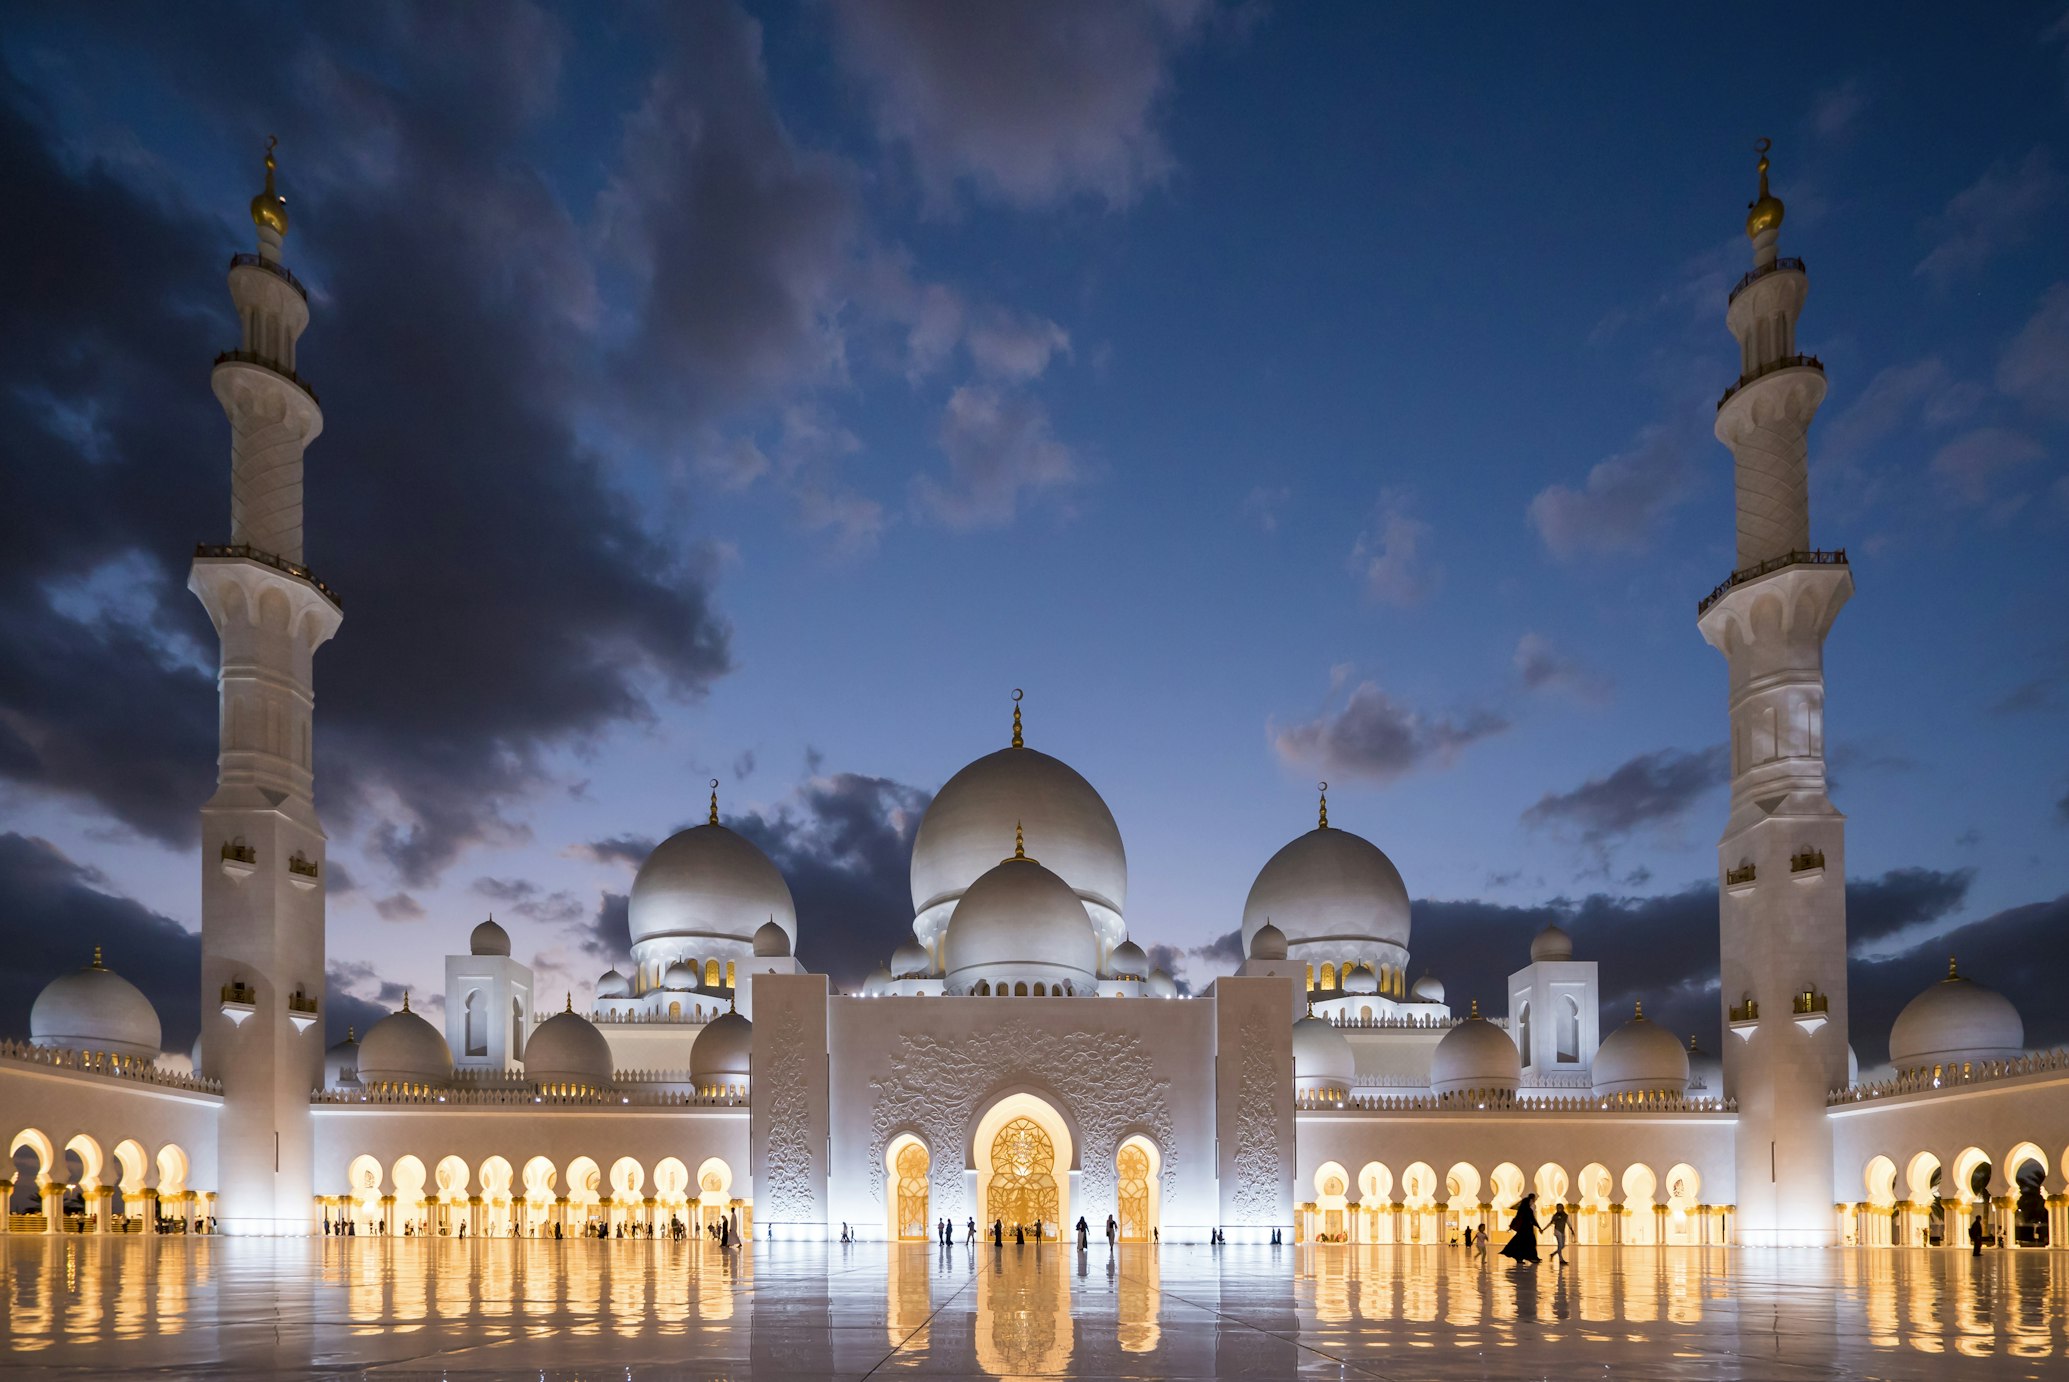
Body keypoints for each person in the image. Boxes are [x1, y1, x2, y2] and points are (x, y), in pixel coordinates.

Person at [1500, 1193, 1540, 1266]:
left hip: (1522, 1230)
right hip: (1527, 1229)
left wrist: (1511, 1227)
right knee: (1530, 1242)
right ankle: (1531, 1257)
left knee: (1520, 1243)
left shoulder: (1522, 1210)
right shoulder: (1528, 1210)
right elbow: (1533, 1219)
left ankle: (1520, 1258)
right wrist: (1539, 1227)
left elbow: (1516, 1218)